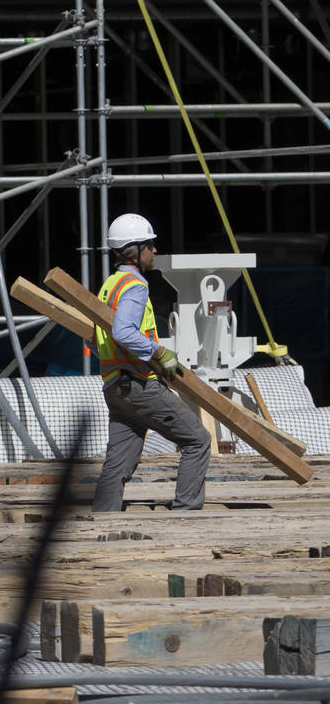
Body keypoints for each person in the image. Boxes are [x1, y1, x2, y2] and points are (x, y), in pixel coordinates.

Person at [92, 213, 211, 512]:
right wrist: (158, 353)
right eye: (151, 245)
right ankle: (186, 516)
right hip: (139, 384)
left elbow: (91, 338)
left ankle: (102, 523)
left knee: (117, 464)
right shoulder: (135, 285)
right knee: (198, 440)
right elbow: (122, 332)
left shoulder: (109, 286)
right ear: (136, 250)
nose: (155, 251)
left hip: (115, 387)